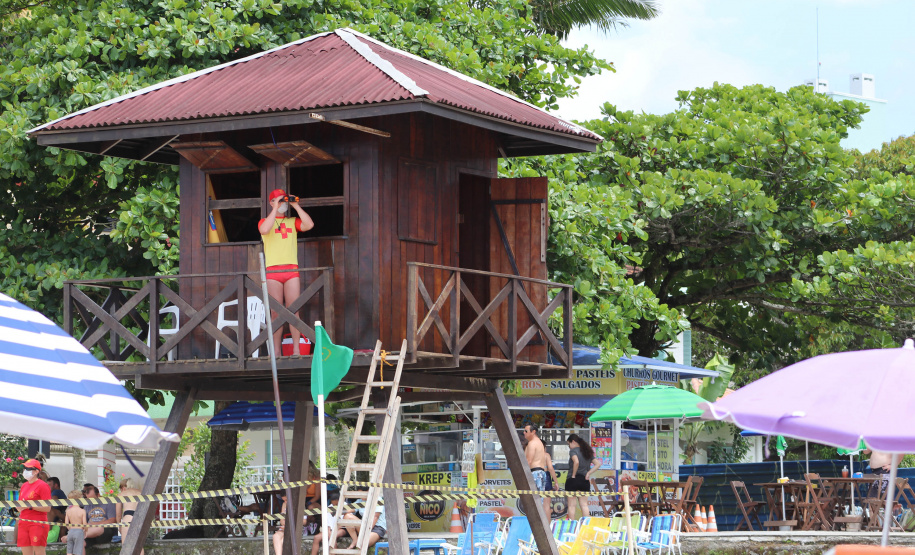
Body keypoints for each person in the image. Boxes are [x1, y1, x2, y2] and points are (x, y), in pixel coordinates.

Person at [258, 188, 315, 356]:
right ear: (271, 202)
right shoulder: (264, 221)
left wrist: (295, 206)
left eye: (284, 201)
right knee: (276, 313)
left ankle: (296, 350)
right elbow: (264, 230)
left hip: (291, 270)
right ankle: (275, 351)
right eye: (279, 200)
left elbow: (309, 225)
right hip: (273, 271)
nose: (283, 203)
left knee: (293, 310)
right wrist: (275, 208)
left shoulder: (292, 221)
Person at [17, 459, 52, 555]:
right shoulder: (24, 486)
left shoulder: (43, 486)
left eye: (28, 468)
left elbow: (47, 508)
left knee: (39, 552)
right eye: (25, 468)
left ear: (36, 471)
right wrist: (18, 507)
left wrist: (29, 506)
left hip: (37, 523)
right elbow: (21, 505)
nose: (25, 471)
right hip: (23, 522)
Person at [565, 434, 602, 521]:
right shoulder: (587, 451)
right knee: (584, 505)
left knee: (571, 506)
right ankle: (585, 525)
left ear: (573, 442)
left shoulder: (573, 451)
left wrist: (573, 475)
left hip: (572, 480)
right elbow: (598, 464)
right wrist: (588, 473)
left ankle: (572, 527)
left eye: (569, 444)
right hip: (584, 480)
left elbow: (576, 462)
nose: (569, 447)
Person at [522, 424, 551, 516]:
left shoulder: (532, 443)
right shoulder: (539, 443)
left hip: (535, 473)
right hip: (541, 473)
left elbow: (528, 461)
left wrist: (523, 475)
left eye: (526, 431)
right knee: (539, 501)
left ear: (533, 432)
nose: (524, 433)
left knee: (534, 502)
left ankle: (536, 524)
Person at [63, 490, 86, 555]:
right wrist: (85, 530)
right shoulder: (82, 511)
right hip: (79, 532)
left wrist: (70, 529)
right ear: (80, 499)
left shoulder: (68, 511)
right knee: (78, 551)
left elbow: (66, 523)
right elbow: (84, 523)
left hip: (70, 532)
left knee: (69, 551)